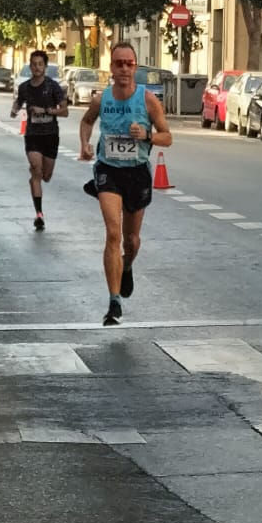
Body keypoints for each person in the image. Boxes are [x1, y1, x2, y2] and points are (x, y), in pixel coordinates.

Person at [79, 43, 172, 326]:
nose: (123, 69)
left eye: (128, 63)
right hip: (108, 170)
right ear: (112, 67)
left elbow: (167, 136)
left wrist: (146, 135)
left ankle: (127, 265)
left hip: (137, 172)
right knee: (112, 234)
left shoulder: (147, 100)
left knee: (131, 241)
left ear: (135, 67)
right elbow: (86, 121)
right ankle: (114, 302)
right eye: (118, 63)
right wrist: (84, 143)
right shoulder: (101, 98)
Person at [13, 48, 69, 232]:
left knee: (46, 176)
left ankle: (35, 179)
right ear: (30, 67)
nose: (37, 68)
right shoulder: (25, 87)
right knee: (36, 169)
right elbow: (18, 101)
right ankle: (39, 215)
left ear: (45, 67)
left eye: (40, 64)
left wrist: (45, 111)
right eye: (34, 64)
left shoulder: (53, 87)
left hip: (50, 135)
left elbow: (65, 111)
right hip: (33, 135)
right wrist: (14, 110)